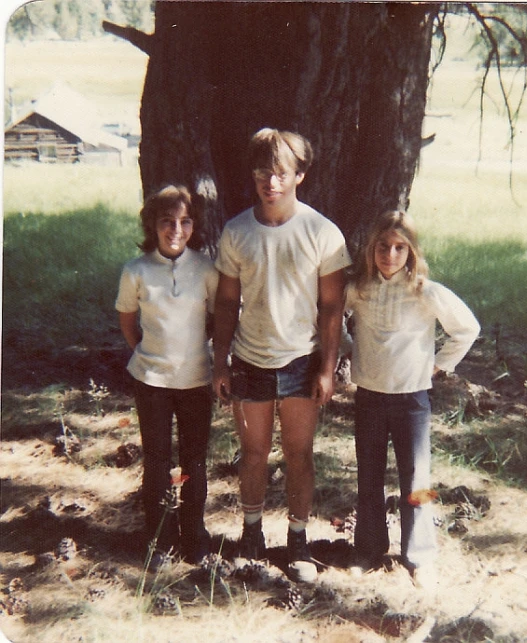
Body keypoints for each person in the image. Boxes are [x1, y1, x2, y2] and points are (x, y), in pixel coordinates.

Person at [213, 128, 351, 583]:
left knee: (299, 453)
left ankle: (297, 540)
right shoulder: (236, 231)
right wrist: (221, 362)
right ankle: (251, 536)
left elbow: (332, 307)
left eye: (279, 174)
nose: (269, 182)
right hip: (250, 360)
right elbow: (227, 303)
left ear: (299, 176)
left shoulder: (322, 233)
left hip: (301, 362)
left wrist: (327, 369)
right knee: (252, 454)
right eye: (261, 173)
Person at [345, 210, 480, 590]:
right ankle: (369, 549)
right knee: (368, 475)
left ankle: (420, 555)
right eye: (382, 247)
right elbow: (330, 318)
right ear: (371, 249)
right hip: (370, 396)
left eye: (399, 248)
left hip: (412, 400)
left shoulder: (425, 291)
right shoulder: (358, 288)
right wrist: (347, 349)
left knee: (417, 479)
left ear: (411, 252)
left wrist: (438, 366)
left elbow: (467, 329)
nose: (390, 255)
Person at [115, 184, 219, 570]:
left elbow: (217, 318)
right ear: (153, 225)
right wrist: (145, 352)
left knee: (194, 459)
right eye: (167, 222)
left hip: (195, 380)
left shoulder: (206, 268)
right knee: (157, 461)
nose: (176, 229)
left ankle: (195, 535)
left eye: (185, 221)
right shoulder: (136, 270)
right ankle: (159, 538)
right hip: (152, 381)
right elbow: (128, 320)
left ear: (194, 225)